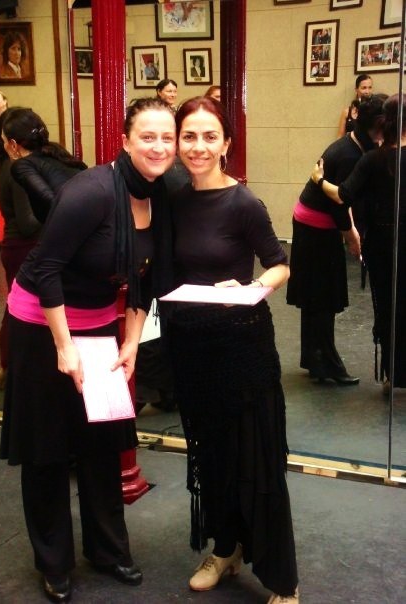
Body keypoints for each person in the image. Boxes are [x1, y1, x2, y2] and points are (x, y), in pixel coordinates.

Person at [0, 97, 176, 602]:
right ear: (125, 140)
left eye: (167, 137)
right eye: (147, 136)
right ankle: (54, 562)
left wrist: (132, 341)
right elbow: (46, 268)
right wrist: (63, 346)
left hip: (99, 327)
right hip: (42, 326)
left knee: (101, 445)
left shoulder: (161, 195)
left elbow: (146, 279)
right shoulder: (91, 192)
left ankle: (107, 550)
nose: (159, 147)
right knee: (48, 449)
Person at [158, 96, 298, 602]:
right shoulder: (173, 200)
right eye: (189, 136)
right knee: (212, 456)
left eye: (209, 136)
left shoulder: (243, 203)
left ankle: (282, 579)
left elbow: (280, 264)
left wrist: (252, 288)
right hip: (192, 348)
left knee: (255, 459)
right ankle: (225, 548)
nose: (198, 146)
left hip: (242, 347)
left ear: (226, 144)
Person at [287, 95, 386, 386]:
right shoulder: (349, 155)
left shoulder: (353, 145)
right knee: (323, 298)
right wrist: (352, 236)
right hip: (316, 226)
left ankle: (315, 360)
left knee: (316, 298)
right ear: (375, 127)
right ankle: (326, 365)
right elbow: (340, 203)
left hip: (312, 223)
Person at [311, 93, 406, 396]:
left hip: (382, 244)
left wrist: (318, 180)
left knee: (387, 307)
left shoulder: (373, 159)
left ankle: (393, 373)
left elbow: (343, 195)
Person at [0, 109, 42, 391]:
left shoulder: (7, 165)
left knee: (15, 308)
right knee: (22, 311)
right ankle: (14, 369)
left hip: (17, 248)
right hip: (24, 247)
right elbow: (27, 223)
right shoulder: (18, 168)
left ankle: (9, 367)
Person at [1, 108, 87, 224]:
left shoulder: (21, 165)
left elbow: (54, 205)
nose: (4, 146)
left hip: (77, 226)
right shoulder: (56, 151)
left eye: (4, 141)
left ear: (13, 144)